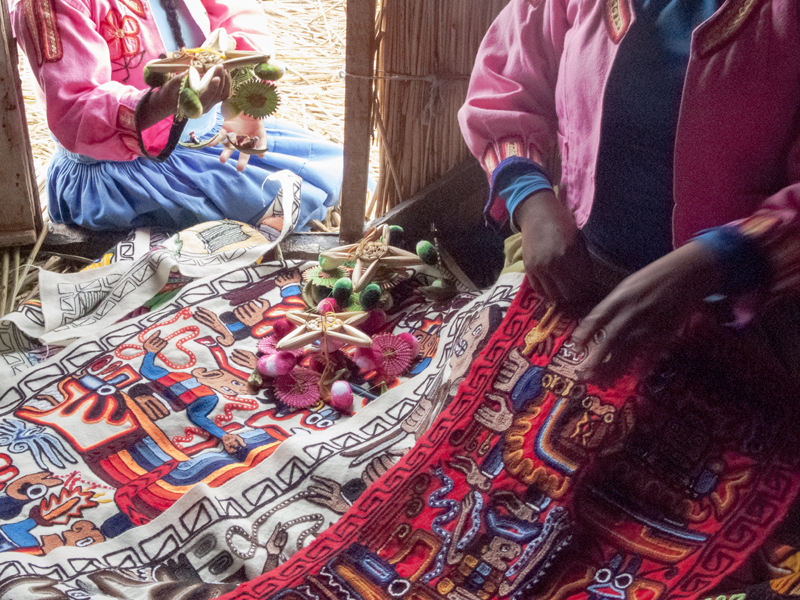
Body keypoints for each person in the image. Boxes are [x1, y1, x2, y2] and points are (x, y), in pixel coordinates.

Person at [458, 0, 800, 594]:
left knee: (717, 507)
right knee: (491, 468)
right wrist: (533, 201)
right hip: (587, 275)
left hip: (757, 305)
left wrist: (711, 262)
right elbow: (506, 81)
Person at [11, 0, 343, 232]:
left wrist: (241, 102)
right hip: (123, 173)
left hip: (203, 137)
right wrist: (159, 104)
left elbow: (235, 13)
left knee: (334, 169)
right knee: (266, 210)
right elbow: (74, 104)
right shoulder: (50, 4)